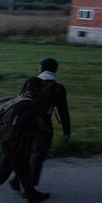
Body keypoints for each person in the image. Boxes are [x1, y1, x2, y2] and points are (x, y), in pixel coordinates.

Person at [9, 58, 71, 191]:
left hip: (25, 122)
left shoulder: (30, 82)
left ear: (42, 68)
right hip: (44, 124)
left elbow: (19, 101)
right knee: (38, 155)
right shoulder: (58, 88)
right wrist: (67, 131)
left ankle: (17, 179)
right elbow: (63, 111)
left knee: (26, 152)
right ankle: (29, 190)